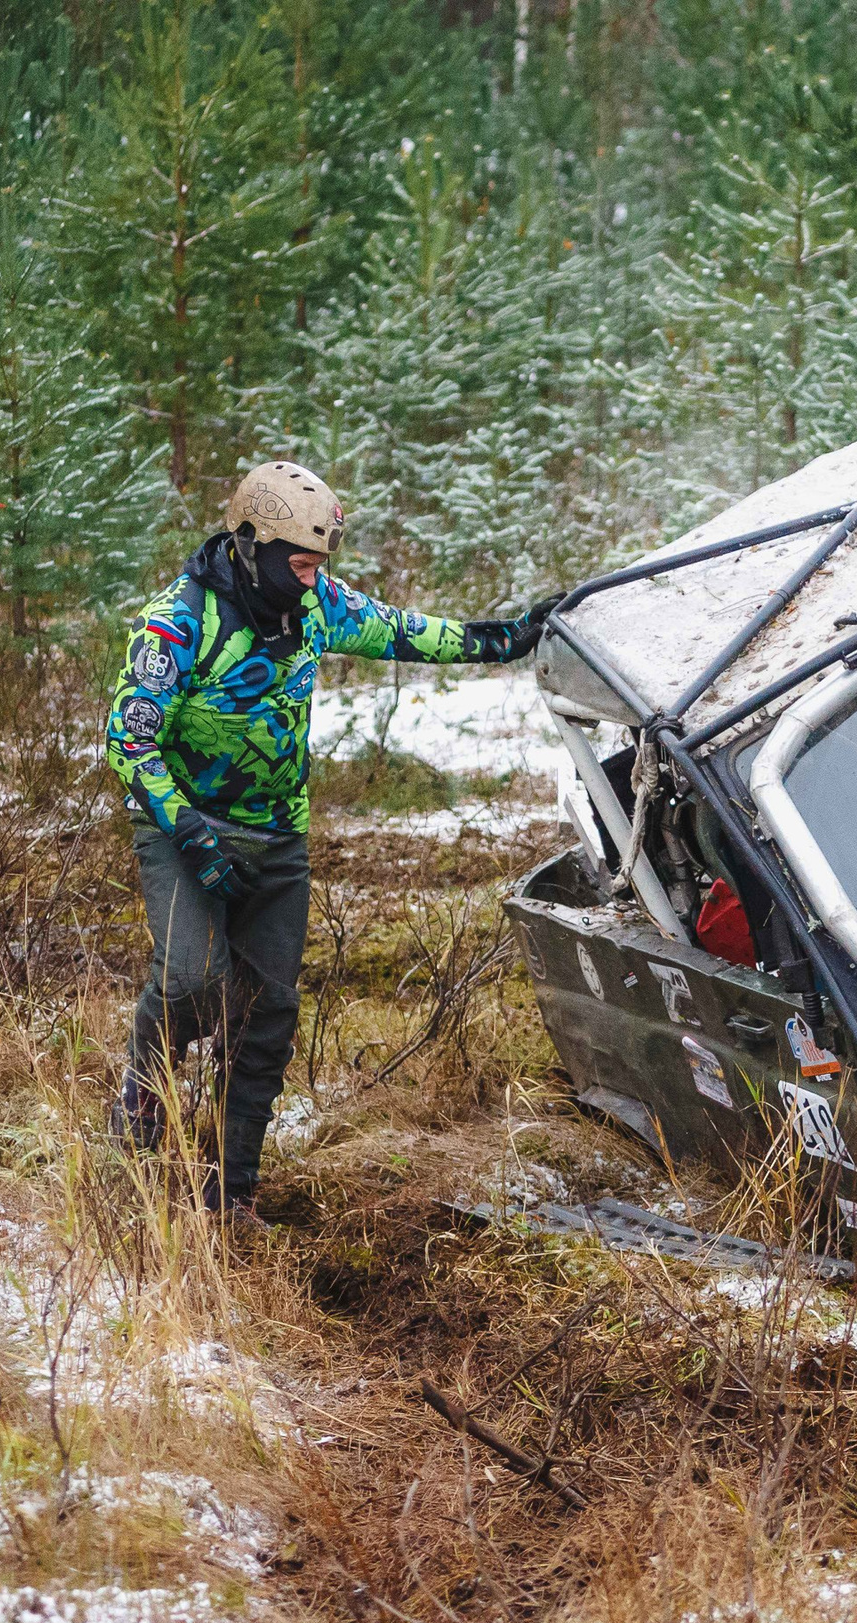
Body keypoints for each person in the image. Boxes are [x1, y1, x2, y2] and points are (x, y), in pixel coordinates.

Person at [103, 460, 556, 1222]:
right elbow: (127, 739)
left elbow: (407, 632)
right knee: (192, 982)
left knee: (270, 1012)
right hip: (183, 826)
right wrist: (189, 833)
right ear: (253, 545)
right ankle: (142, 1102)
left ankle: (229, 1191)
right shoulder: (178, 621)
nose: (313, 581)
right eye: (302, 564)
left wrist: (506, 638)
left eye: (321, 567)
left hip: (278, 839)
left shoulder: (318, 608)